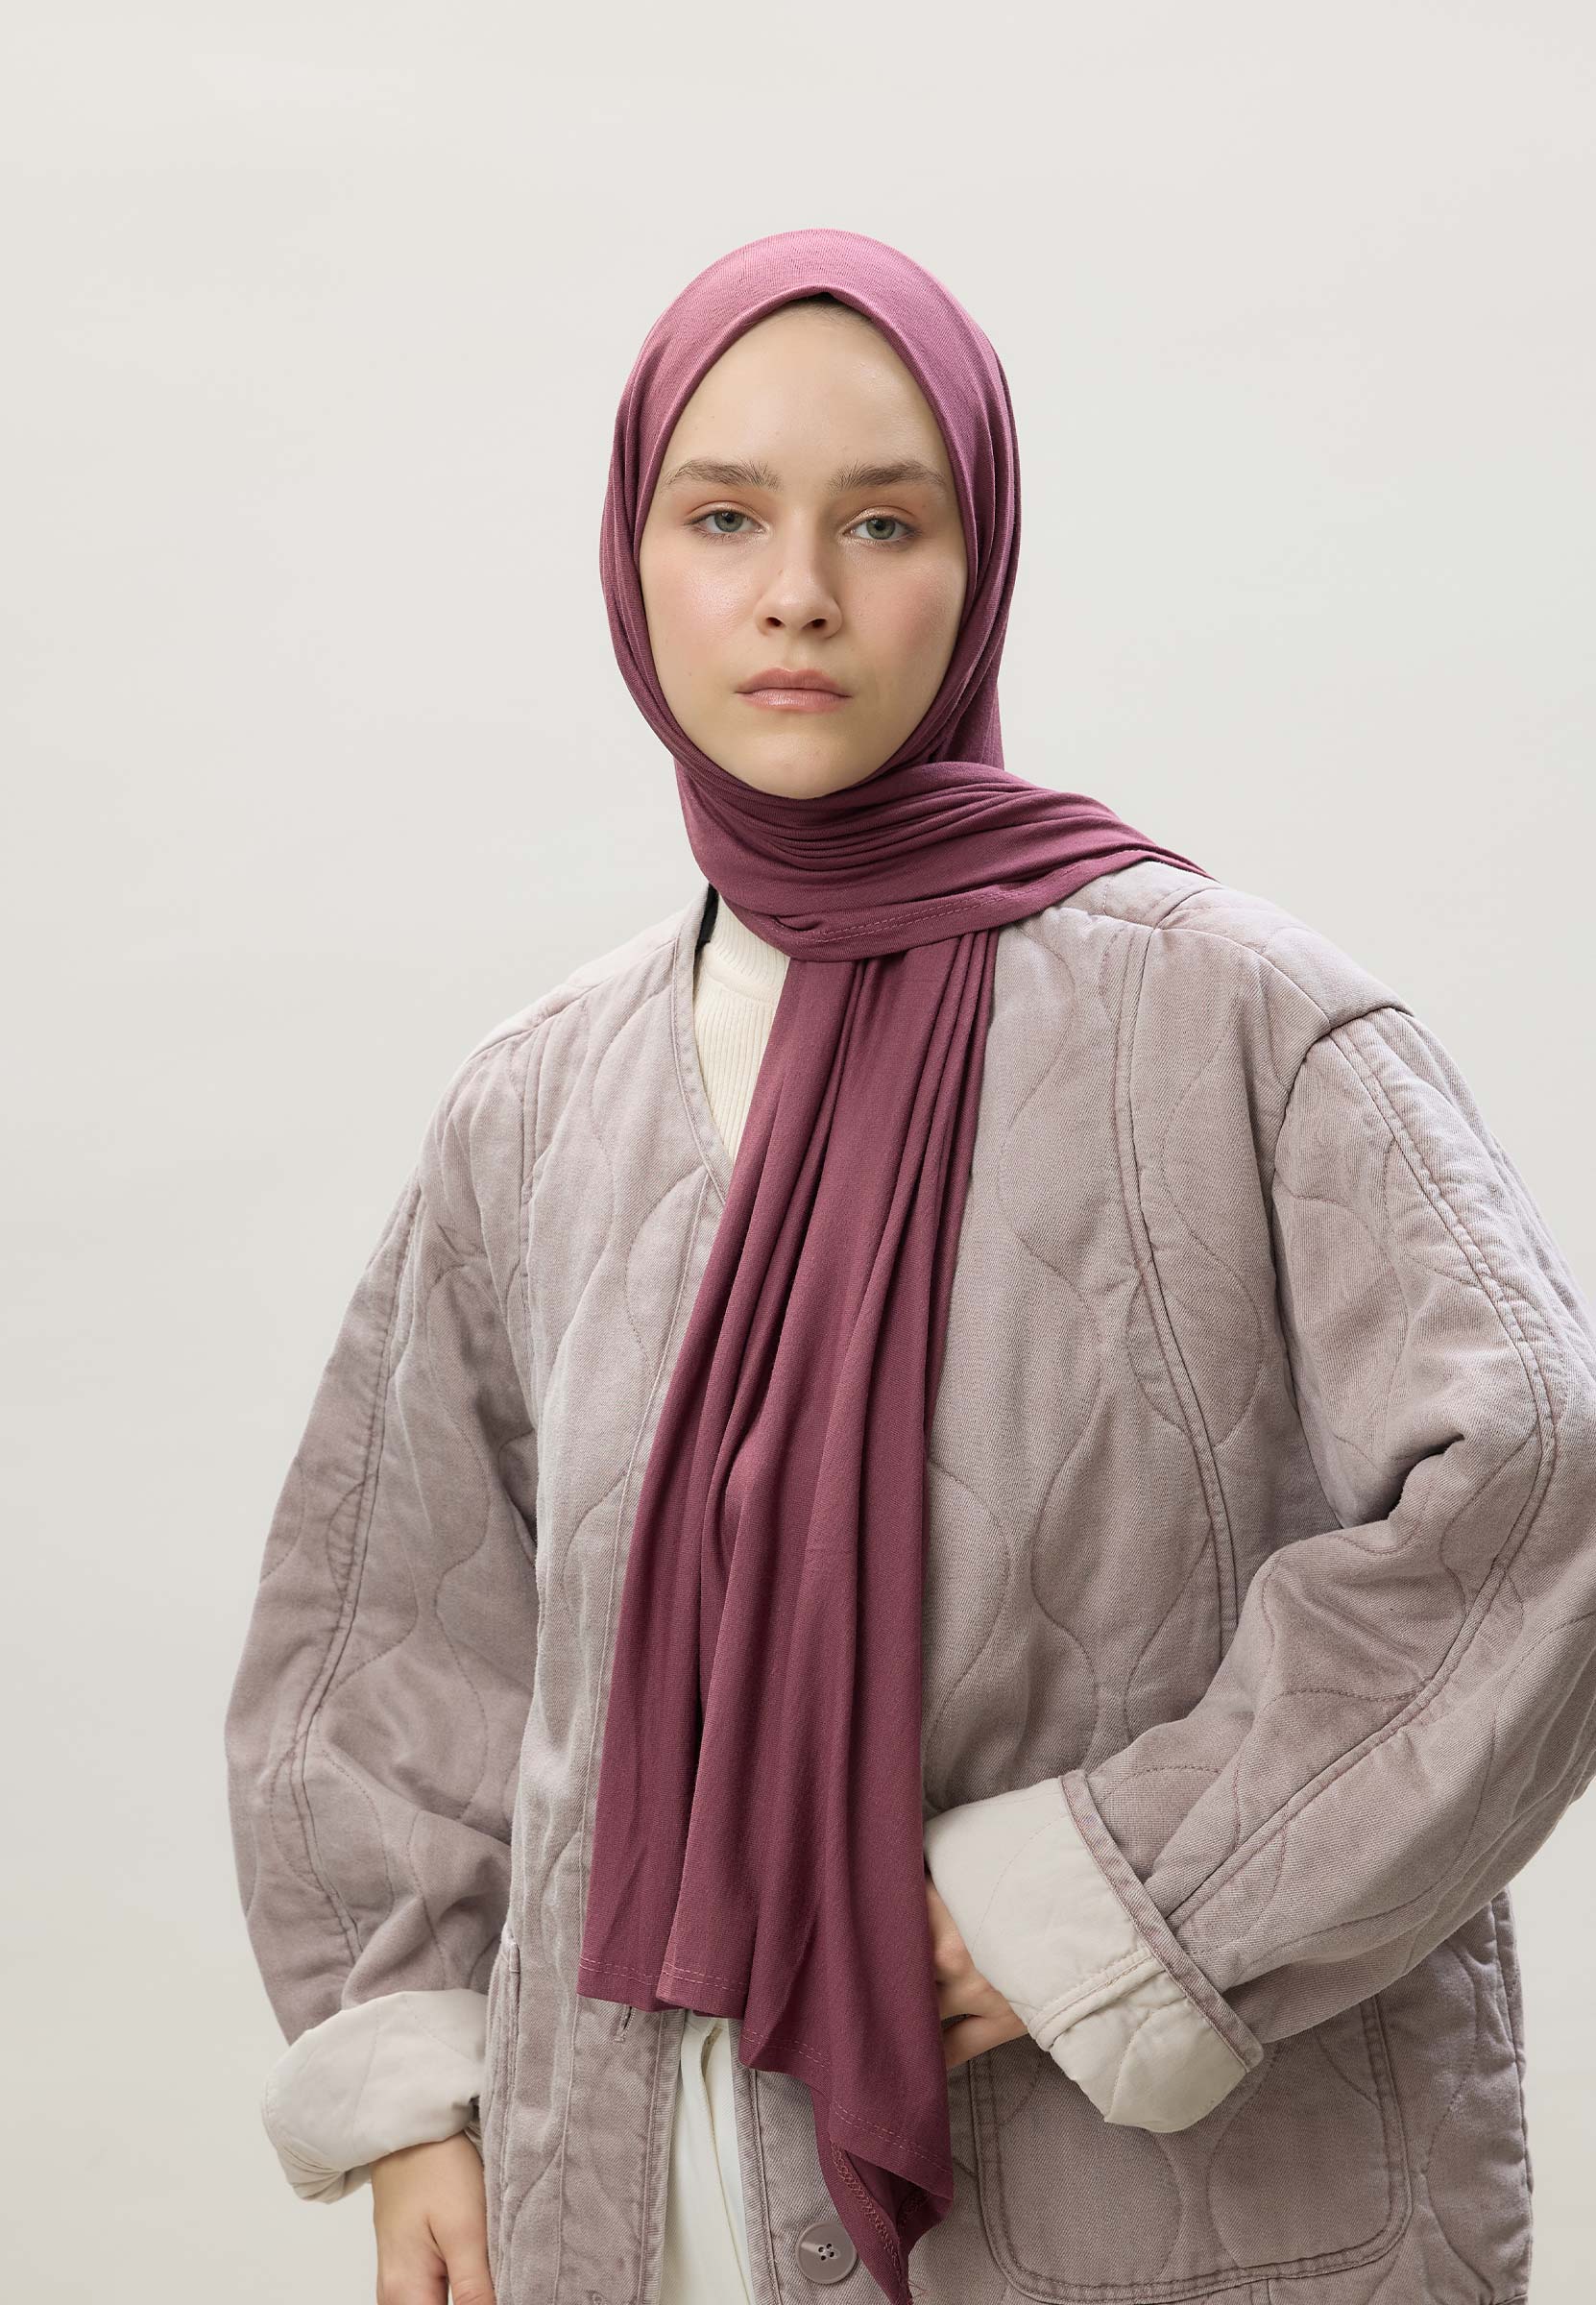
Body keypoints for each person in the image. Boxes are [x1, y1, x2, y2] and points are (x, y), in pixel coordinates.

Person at [224, 229, 1594, 2305]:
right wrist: (418, 2097)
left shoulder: (1231, 1020)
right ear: (632, 562)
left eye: (882, 521)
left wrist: (1112, 1904)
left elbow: (1538, 1497)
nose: (797, 591)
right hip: (651, 2198)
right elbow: (388, 1630)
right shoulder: (541, 1100)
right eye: (723, 517)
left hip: (1153, 2205)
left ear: (980, 561)